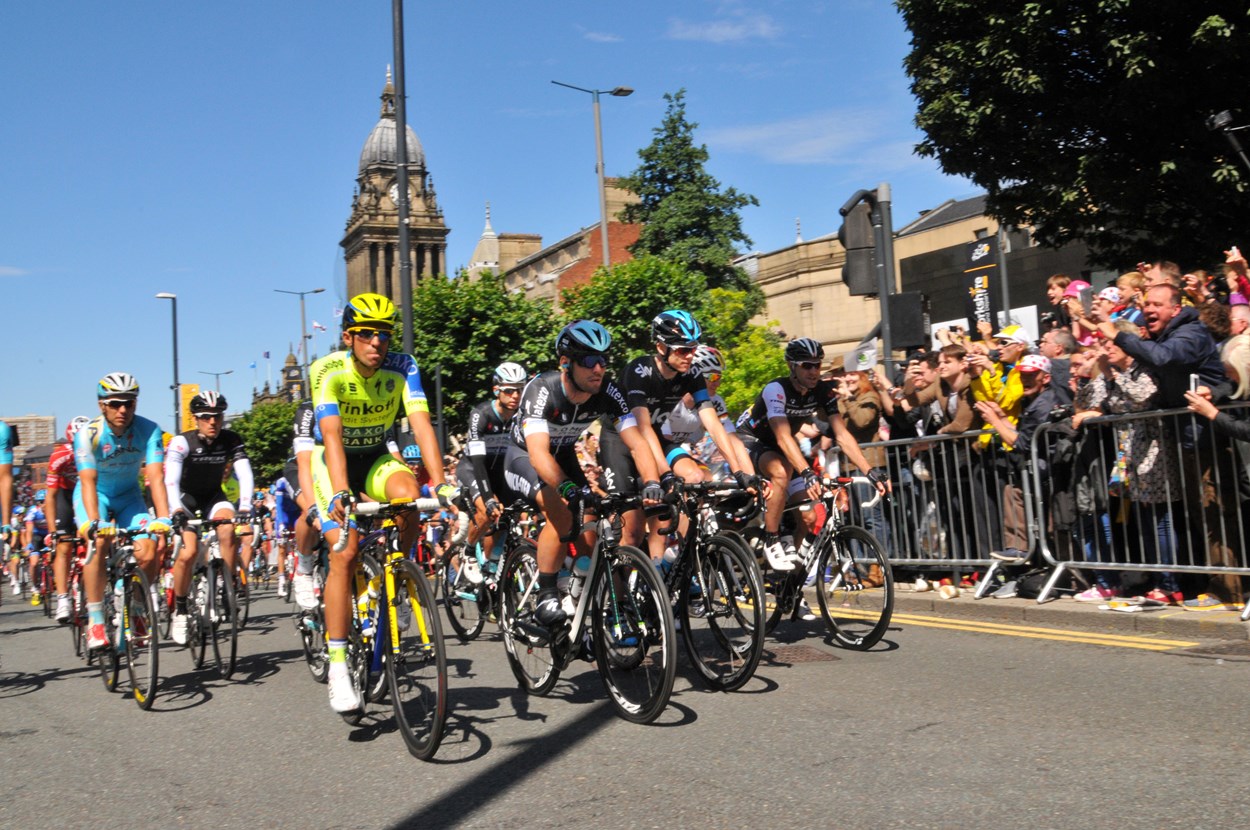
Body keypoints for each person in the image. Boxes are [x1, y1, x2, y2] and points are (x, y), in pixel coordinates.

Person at [311, 292, 453, 713]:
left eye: (385, 335)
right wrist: (340, 492)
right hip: (334, 464)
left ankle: (400, 573)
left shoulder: (404, 367)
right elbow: (332, 438)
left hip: (374, 457)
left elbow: (422, 425)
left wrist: (441, 483)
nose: (378, 343)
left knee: (410, 496)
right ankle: (338, 665)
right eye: (367, 334)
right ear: (348, 337)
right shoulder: (327, 370)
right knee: (346, 551)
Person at [503, 320, 661, 626]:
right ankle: (546, 594)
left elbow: (637, 442)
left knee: (591, 528)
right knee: (563, 510)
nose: (598, 368)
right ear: (566, 363)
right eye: (589, 360)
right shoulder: (542, 389)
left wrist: (652, 482)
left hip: (562, 454)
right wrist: (566, 489)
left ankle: (577, 588)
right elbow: (538, 454)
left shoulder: (608, 391)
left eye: (603, 360)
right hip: (524, 456)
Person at [599, 311, 753, 561]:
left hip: (655, 438)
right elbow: (643, 427)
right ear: (661, 347)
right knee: (633, 533)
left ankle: (685, 561)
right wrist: (665, 473)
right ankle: (622, 593)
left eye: (693, 348)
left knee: (693, 477)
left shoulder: (692, 374)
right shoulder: (638, 370)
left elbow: (714, 425)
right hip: (621, 441)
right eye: (683, 350)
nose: (690, 356)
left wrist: (740, 472)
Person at [735, 338, 887, 573]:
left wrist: (870, 471)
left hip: (780, 447)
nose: (814, 371)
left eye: (817, 365)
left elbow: (842, 435)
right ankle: (771, 538)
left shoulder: (823, 391)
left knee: (809, 520)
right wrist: (807, 472)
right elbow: (783, 435)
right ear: (792, 366)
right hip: (752, 440)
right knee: (780, 471)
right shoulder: (777, 389)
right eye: (807, 365)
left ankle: (790, 587)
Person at [1073, 324, 1182, 603]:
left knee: (1160, 520)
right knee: (1145, 520)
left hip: (1153, 449)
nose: (1106, 348)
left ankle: (1170, 584)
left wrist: (1112, 374)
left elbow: (1142, 396)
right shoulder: (1110, 374)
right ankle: (1155, 578)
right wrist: (1091, 372)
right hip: (1128, 454)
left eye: (1111, 344)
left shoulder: (1144, 369)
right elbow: (1085, 400)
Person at [74, 373, 171, 650]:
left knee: (149, 548)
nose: (123, 410)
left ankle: (138, 608)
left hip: (129, 497)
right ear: (101, 405)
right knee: (99, 540)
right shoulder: (87, 435)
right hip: (96, 496)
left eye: (129, 403)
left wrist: (162, 517)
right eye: (115, 403)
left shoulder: (150, 430)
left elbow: (155, 476)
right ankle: (95, 618)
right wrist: (94, 522)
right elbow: (88, 482)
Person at [164, 390, 254, 645]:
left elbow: (245, 474)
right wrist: (177, 511)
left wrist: (245, 508)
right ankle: (180, 610)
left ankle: (226, 587)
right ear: (195, 419)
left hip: (214, 497)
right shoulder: (182, 442)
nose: (213, 421)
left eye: (218, 415)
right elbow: (170, 480)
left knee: (228, 530)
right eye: (206, 416)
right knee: (189, 551)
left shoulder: (231, 439)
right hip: (186, 499)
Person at [455, 361, 527, 566]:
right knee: (488, 511)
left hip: (500, 473)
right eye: (510, 390)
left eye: (520, 390)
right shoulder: (481, 414)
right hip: (473, 469)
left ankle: (490, 565)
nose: (516, 396)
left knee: (505, 519)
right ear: (496, 390)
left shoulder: (522, 416)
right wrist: (487, 498)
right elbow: (478, 463)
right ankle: (468, 552)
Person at [46, 416, 89, 621]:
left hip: (87, 494)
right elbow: (50, 496)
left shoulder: (98, 451)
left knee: (92, 539)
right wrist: (52, 531)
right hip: (64, 495)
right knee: (63, 546)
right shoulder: (60, 456)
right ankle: (63, 599)